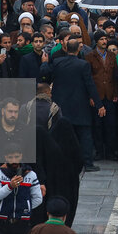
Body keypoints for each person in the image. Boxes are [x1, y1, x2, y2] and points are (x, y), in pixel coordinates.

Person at [40, 38, 105, 171]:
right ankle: (87, 163)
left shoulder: (57, 62)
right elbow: (90, 85)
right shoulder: (83, 65)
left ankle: (62, 162)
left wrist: (44, 63)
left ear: (66, 48)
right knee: (85, 135)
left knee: (61, 135)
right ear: (78, 49)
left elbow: (45, 74)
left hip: (61, 105)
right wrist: (99, 104)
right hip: (80, 105)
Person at [0, 143, 42, 234]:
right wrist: (9, 186)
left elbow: (38, 198)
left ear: (21, 156)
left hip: (22, 221)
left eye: (17, 157)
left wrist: (25, 207)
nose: (14, 160)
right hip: (3, 220)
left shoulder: (30, 174)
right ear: (5, 157)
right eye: (10, 157)